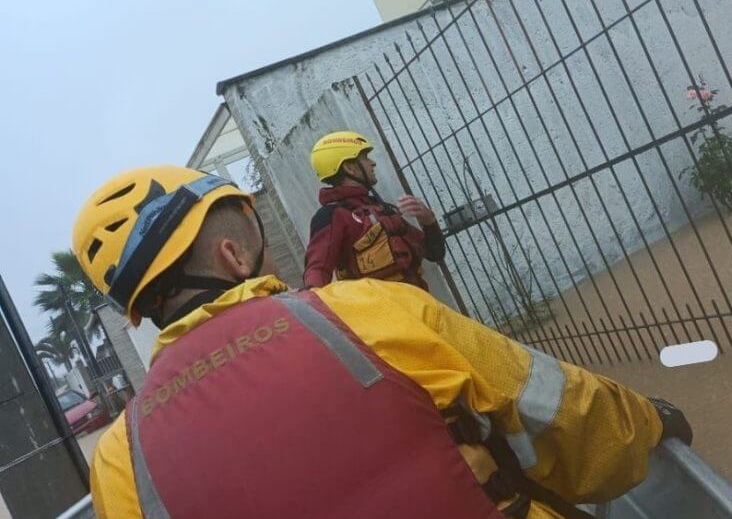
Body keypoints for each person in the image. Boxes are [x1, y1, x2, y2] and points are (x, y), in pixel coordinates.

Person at [75, 166, 692, 518]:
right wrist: (649, 427)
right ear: (235, 255)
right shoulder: (367, 310)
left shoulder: (117, 457)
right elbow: (567, 412)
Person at [304, 131, 446, 290]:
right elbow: (317, 270)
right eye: (364, 158)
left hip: (419, 305)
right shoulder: (332, 216)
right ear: (350, 168)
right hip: (381, 312)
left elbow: (435, 253)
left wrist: (428, 220)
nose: (372, 163)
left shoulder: (381, 209)